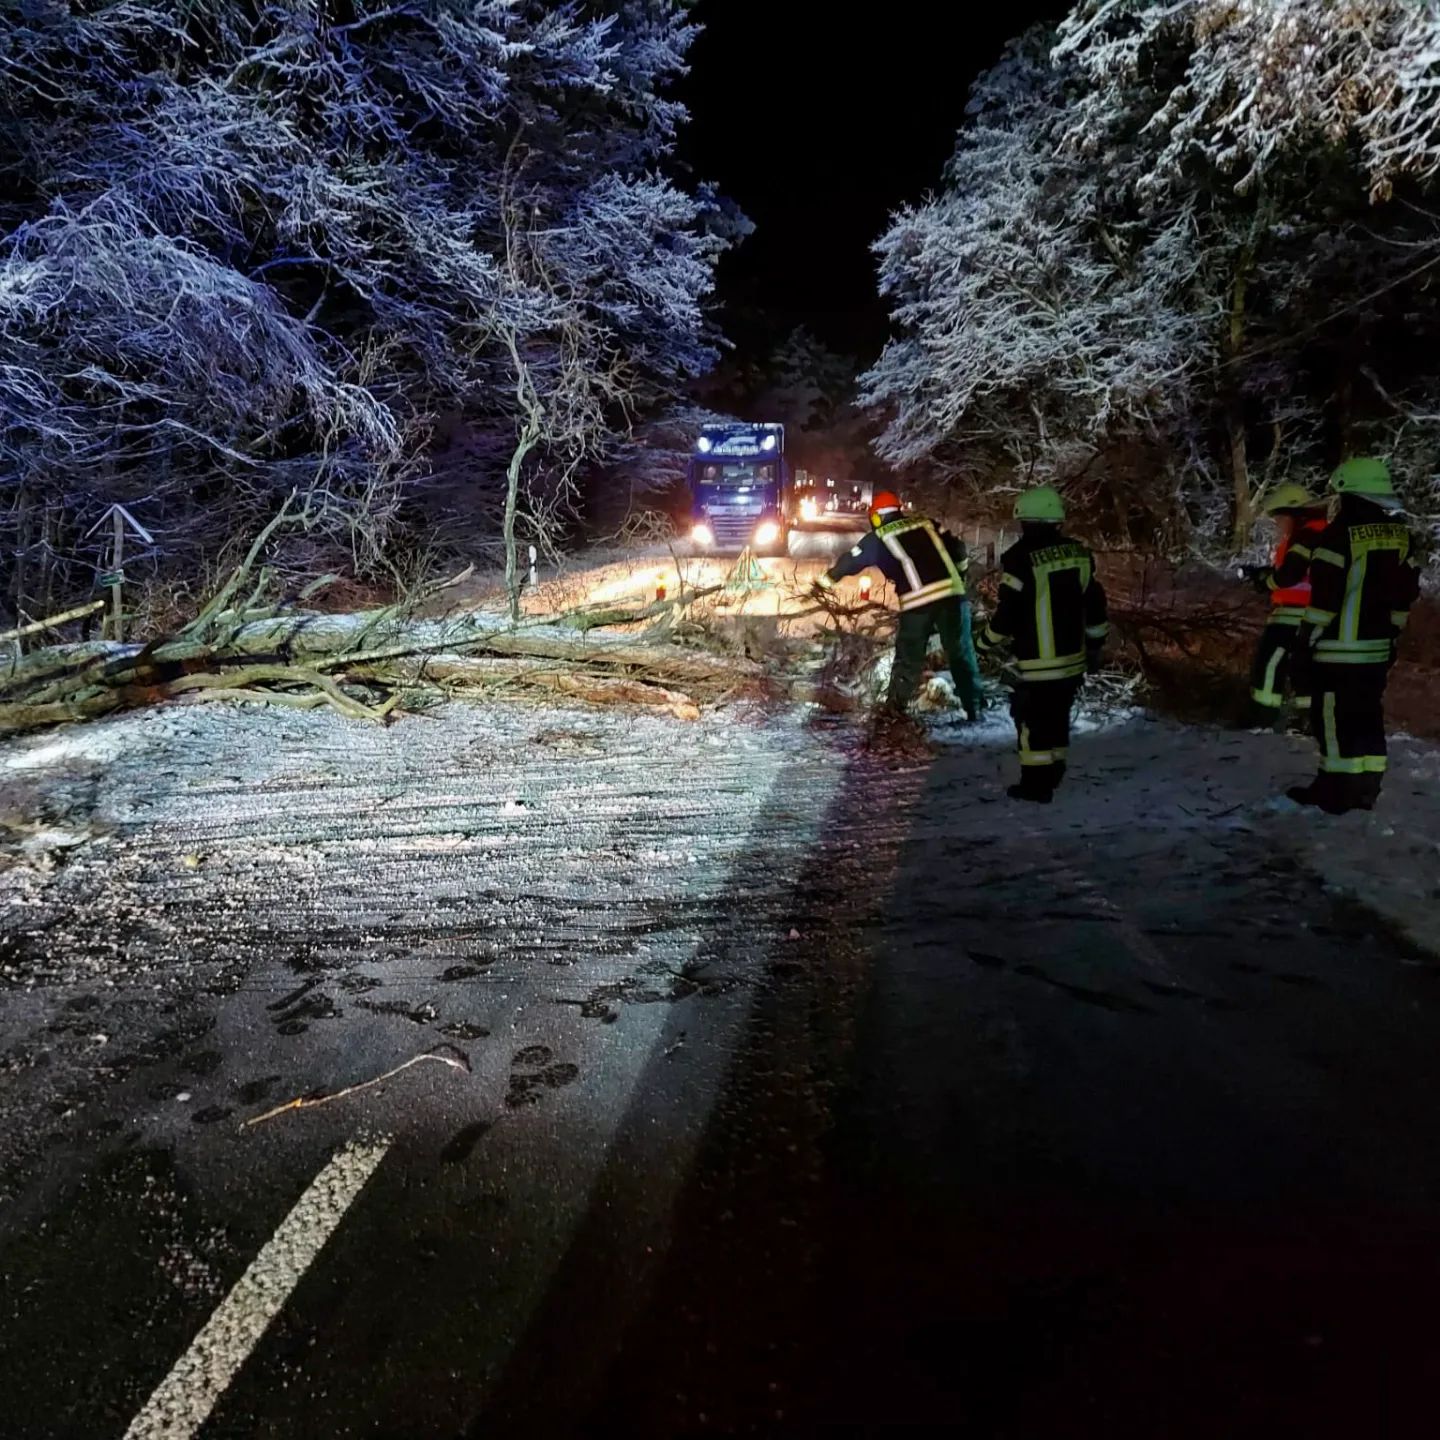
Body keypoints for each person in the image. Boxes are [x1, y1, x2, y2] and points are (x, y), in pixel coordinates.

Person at [1288, 457, 1426, 815]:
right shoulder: (1400, 535)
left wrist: (1304, 641)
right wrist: (1392, 635)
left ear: (1348, 494)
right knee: (1367, 718)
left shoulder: (1337, 535)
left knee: (1333, 721)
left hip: (1337, 651)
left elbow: (1324, 599)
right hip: (1376, 650)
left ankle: (1334, 792)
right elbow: (1405, 593)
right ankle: (1366, 789)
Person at [977, 485, 1108, 803]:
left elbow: (1007, 614)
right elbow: (1095, 604)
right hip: (1072, 660)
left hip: (1038, 663)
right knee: (1058, 717)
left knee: (1031, 721)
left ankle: (1036, 786)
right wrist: (1095, 646)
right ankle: (1055, 770)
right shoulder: (1079, 554)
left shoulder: (1020, 559)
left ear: (1025, 520)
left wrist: (982, 643)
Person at [814, 490, 983, 719]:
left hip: (918, 603)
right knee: (961, 653)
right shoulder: (927, 524)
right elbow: (960, 549)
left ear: (877, 517)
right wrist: (960, 577)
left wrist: (824, 583)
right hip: (953, 598)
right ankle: (975, 707)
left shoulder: (879, 537)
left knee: (908, 660)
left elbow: (850, 561)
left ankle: (895, 711)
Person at [1242, 484, 1330, 727]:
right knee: (1304, 670)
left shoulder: (1305, 537)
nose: (1278, 524)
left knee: (1270, 664)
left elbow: (1290, 575)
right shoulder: (1321, 534)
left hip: (1293, 616)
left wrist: (1266, 581)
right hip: (1314, 615)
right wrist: (1267, 573)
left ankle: (1262, 717)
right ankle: (1309, 722)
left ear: (1296, 515)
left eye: (1280, 518)